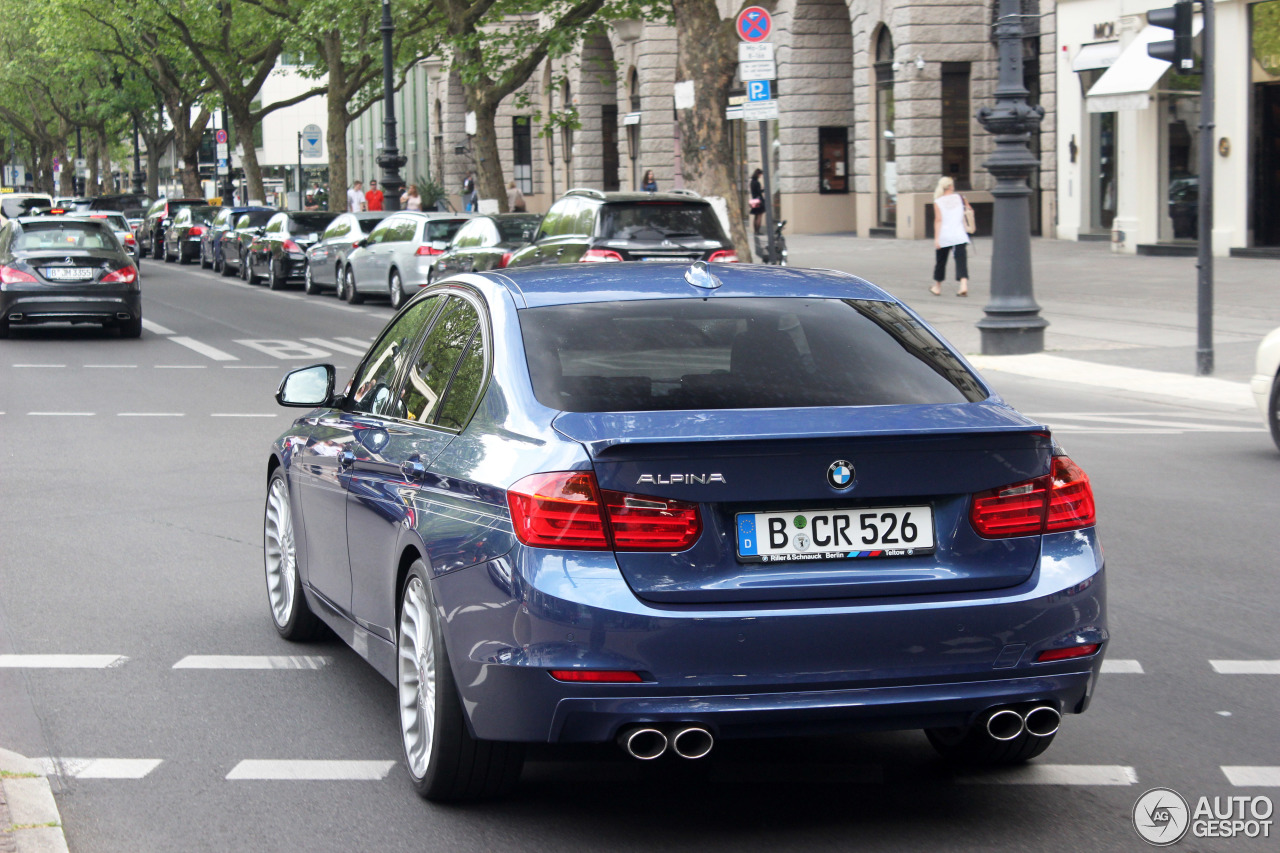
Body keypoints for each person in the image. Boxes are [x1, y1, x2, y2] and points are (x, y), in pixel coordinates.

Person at [931, 176, 971, 297]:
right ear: (950, 186)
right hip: (959, 234)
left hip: (944, 235)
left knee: (941, 261)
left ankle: (937, 286)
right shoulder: (960, 198)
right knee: (961, 260)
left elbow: (938, 220)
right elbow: (969, 210)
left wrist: (936, 238)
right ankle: (963, 285)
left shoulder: (938, 202)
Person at [749, 168, 765, 234]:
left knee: (755, 216)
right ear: (758, 174)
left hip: (754, 200)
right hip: (758, 200)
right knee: (759, 216)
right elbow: (759, 192)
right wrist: (763, 189)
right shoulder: (757, 182)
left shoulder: (752, 182)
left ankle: (755, 231)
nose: (760, 176)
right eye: (760, 174)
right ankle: (758, 231)